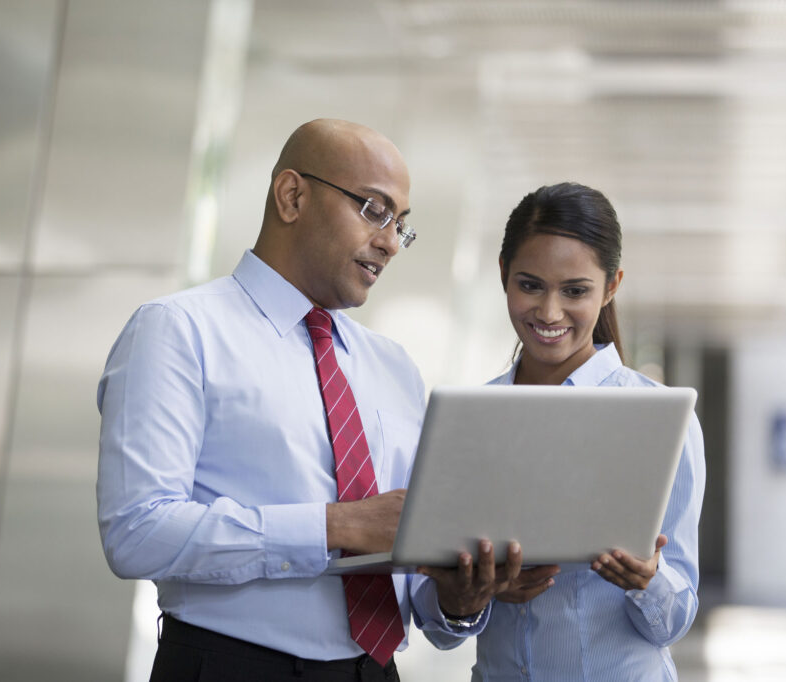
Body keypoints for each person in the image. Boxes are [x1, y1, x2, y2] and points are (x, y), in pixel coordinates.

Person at [96, 118, 522, 682]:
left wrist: (459, 599)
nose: (391, 242)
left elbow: (417, 589)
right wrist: (335, 526)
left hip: (374, 671)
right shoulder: (178, 331)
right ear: (292, 196)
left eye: (402, 226)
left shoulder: (392, 366)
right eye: (374, 209)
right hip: (230, 667)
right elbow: (138, 531)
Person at [424, 182, 706, 681]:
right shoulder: (468, 420)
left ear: (612, 285)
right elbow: (442, 627)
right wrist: (468, 597)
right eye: (530, 285)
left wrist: (648, 581)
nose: (549, 313)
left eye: (575, 291)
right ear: (503, 275)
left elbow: (676, 620)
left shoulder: (659, 418)